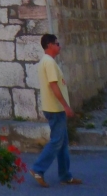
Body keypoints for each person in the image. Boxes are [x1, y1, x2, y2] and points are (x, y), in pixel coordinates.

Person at [31, 33, 83, 187]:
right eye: (57, 43)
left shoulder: (46, 62)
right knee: (57, 141)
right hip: (55, 109)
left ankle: (65, 175)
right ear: (50, 45)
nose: (59, 46)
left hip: (53, 108)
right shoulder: (49, 63)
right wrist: (65, 106)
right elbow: (54, 85)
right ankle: (38, 169)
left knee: (62, 142)